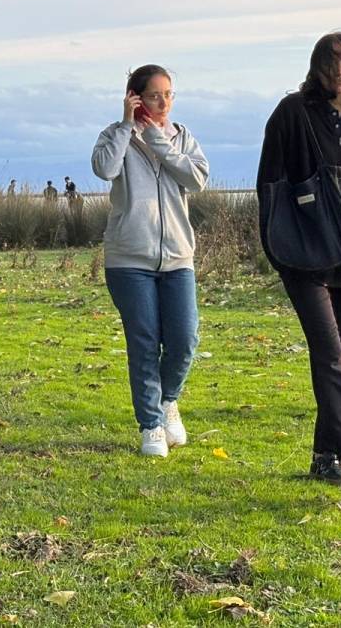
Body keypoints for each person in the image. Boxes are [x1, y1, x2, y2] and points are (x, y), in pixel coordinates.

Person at [257, 32, 341, 503]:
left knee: (337, 358)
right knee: (330, 352)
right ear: (316, 66)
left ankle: (324, 456)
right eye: (331, 62)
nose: (339, 71)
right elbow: (269, 186)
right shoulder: (291, 112)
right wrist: (277, 248)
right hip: (302, 257)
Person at [92, 64, 209, 459]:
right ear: (135, 97)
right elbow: (105, 168)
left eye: (168, 94)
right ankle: (151, 426)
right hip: (128, 258)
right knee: (144, 341)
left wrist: (160, 141)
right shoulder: (115, 135)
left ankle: (167, 400)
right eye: (154, 95)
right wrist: (128, 126)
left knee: (184, 340)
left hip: (178, 257)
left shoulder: (181, 137)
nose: (163, 103)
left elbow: (196, 179)